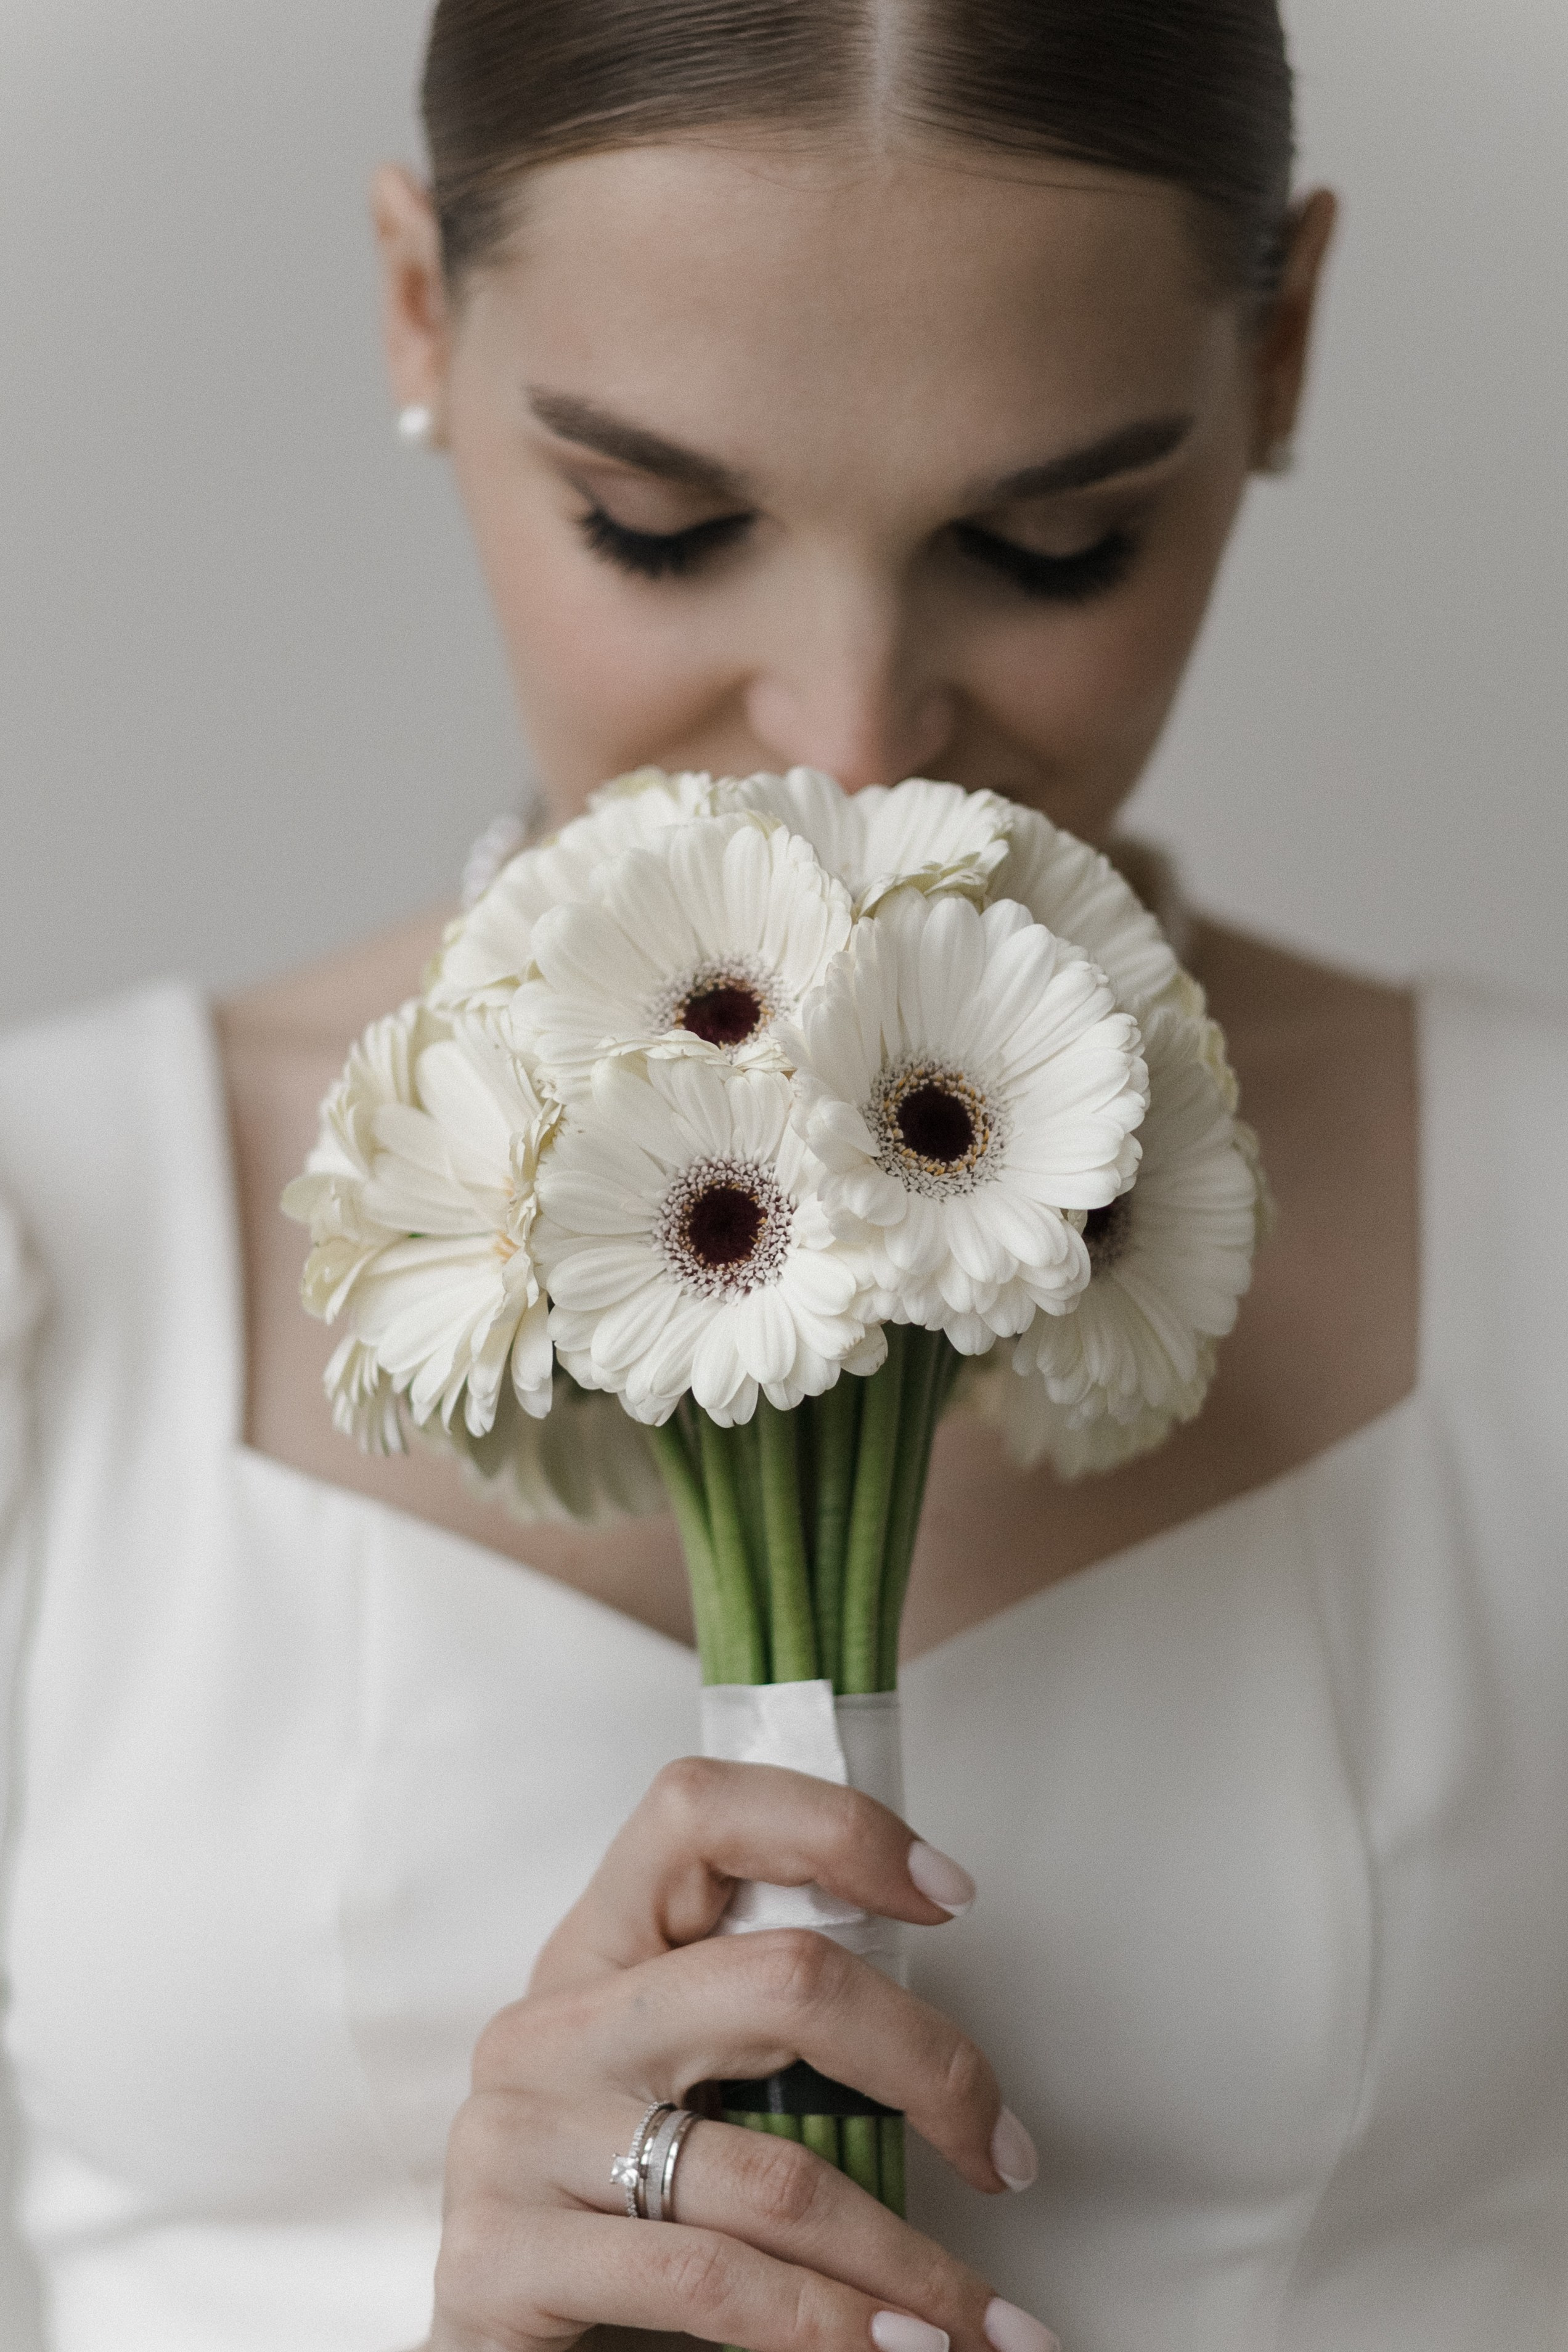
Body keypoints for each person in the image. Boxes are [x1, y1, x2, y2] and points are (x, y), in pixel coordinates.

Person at [1, 3, 1565, 2348]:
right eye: (661, 524)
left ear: (1287, 343)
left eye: (1054, 542)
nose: (851, 732)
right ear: (422, 309)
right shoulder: (57, 1246)